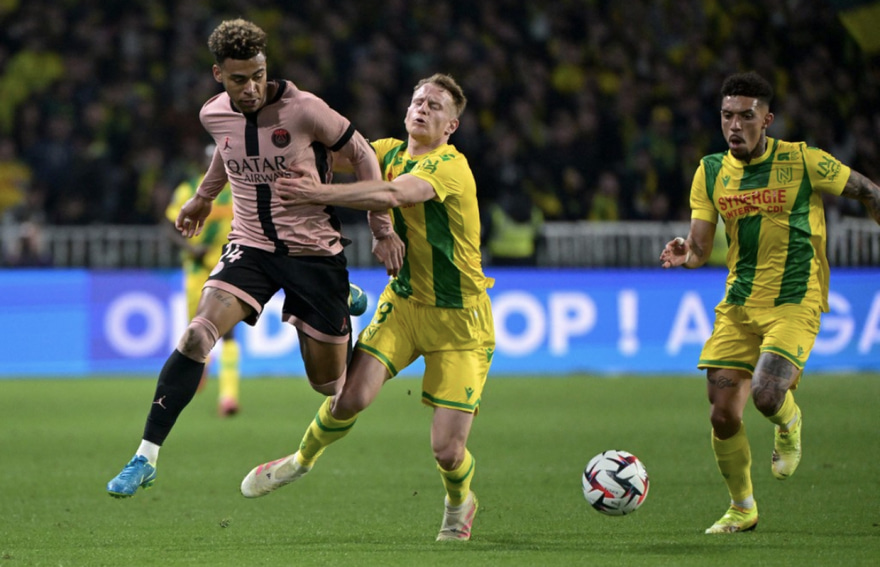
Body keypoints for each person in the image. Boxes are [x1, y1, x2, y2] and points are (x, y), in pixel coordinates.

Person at [106, 18, 403, 498]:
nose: (251, 88)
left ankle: (341, 295)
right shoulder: (213, 114)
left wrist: (382, 228)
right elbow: (228, 152)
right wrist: (203, 197)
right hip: (251, 248)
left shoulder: (305, 110)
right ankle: (145, 456)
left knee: (330, 387)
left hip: (313, 255)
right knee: (196, 335)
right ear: (218, 75)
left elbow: (364, 154)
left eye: (258, 75)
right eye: (239, 79)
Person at [238, 73, 496, 542]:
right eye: (418, 100)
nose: (422, 108)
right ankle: (299, 461)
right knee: (349, 397)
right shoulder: (386, 152)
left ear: (451, 126)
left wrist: (317, 194)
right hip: (405, 305)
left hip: (461, 322)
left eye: (435, 106)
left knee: (446, 451)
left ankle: (460, 502)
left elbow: (394, 194)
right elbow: (321, 152)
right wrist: (267, 135)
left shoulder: (449, 167)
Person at [660, 71, 880, 534]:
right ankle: (742, 509)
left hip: (794, 299)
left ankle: (789, 423)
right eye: (727, 116)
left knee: (765, 393)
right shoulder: (710, 171)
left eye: (746, 116)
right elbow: (700, 249)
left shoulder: (802, 160)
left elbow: (867, 191)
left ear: (767, 119)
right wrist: (686, 254)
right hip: (739, 303)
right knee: (722, 413)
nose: (734, 125)